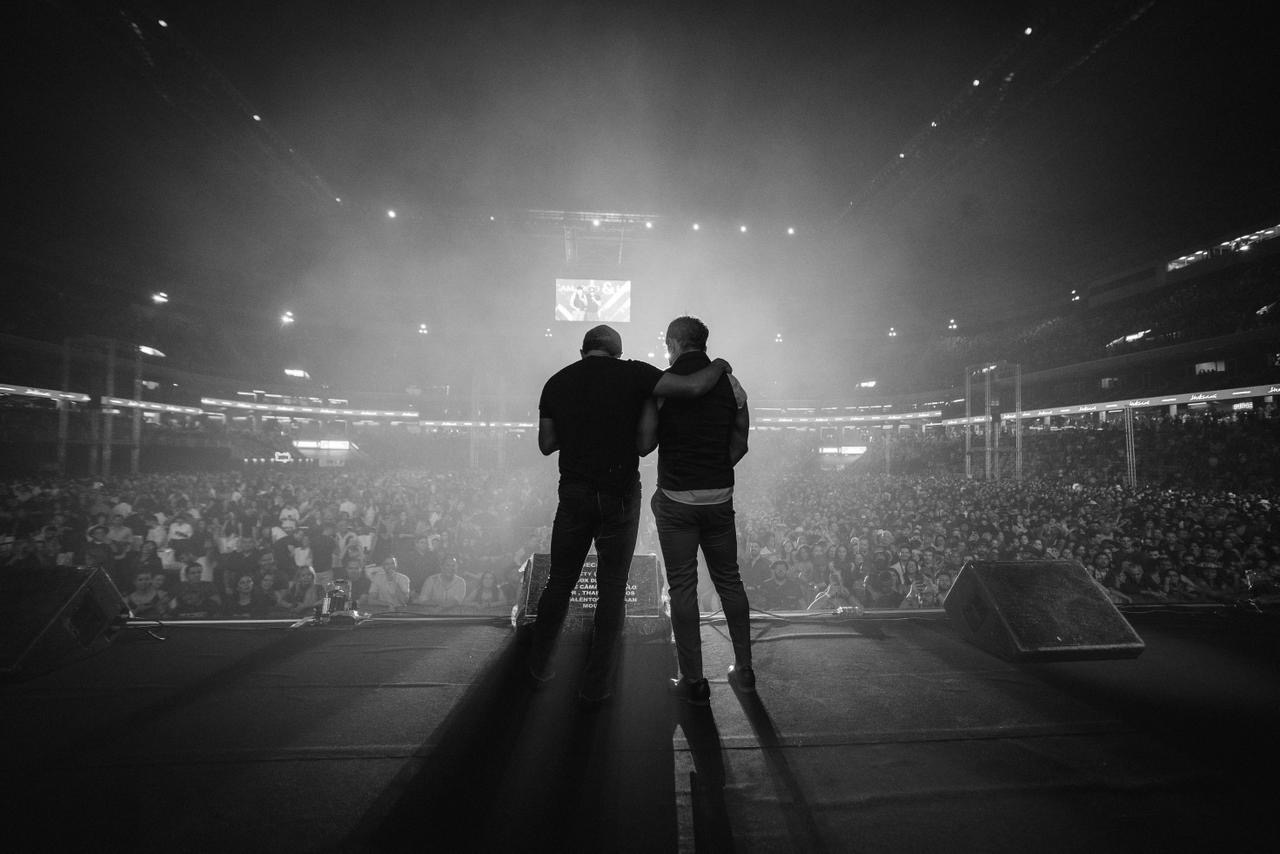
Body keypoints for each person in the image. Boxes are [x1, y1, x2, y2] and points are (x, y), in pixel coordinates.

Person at [528, 324, 733, 703]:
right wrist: (718, 365)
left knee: (559, 583)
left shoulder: (557, 382)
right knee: (612, 589)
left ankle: (538, 669)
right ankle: (596, 685)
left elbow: (546, 443)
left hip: (574, 493)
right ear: (618, 353)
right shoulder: (633, 373)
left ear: (583, 350)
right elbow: (691, 388)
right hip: (619, 494)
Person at [639, 315, 753, 706]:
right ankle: (745, 669)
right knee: (730, 581)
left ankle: (694, 680)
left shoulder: (664, 384)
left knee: (683, 587)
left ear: (673, 343)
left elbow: (645, 443)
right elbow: (741, 440)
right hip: (719, 497)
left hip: (676, 501)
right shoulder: (730, 383)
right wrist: (715, 470)